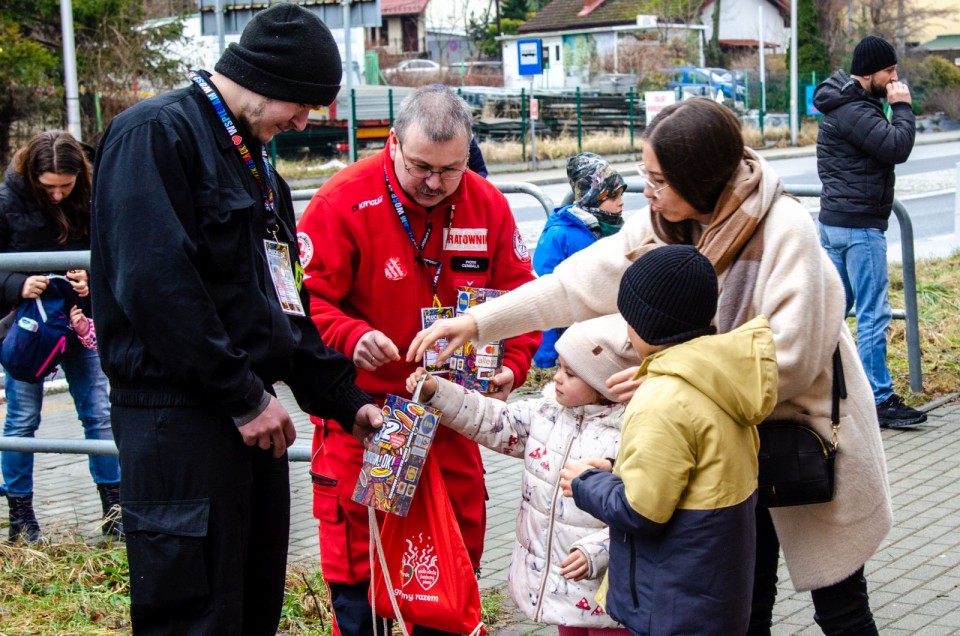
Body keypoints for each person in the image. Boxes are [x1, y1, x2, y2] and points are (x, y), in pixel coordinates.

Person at [409, 97, 892, 636]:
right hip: (724, 446)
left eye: (659, 179)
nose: (647, 190)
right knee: (746, 604)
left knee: (840, 606)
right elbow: (574, 285)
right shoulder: (665, 224)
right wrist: (478, 323)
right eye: (646, 175)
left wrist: (667, 376)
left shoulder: (784, 228)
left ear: (698, 177)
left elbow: (790, 359)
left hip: (801, 430)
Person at [89, 5, 382, 634]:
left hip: (252, 421)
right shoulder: (156, 134)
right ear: (262, 78)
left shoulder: (259, 168)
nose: (301, 123)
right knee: (194, 613)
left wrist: (345, 400)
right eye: (300, 106)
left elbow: (283, 306)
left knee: (251, 605)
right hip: (180, 420)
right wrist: (243, 397)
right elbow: (155, 286)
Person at [296, 84, 540, 635]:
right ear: (393, 144)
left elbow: (522, 297)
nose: (434, 182)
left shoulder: (486, 204)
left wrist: (513, 363)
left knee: (446, 581)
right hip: (373, 422)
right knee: (372, 584)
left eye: (450, 169)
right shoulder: (344, 201)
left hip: (453, 421)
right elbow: (303, 302)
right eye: (421, 167)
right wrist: (350, 335)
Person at [559, 245, 778, 635]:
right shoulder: (720, 379)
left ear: (645, 324)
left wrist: (586, 483)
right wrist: (616, 468)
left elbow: (641, 512)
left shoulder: (661, 398)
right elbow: (694, 469)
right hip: (717, 590)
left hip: (674, 599)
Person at [405, 316, 632, 635]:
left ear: (603, 382)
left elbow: (642, 507)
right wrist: (437, 392)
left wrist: (599, 551)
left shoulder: (629, 434)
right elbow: (490, 418)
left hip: (608, 586)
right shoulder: (546, 413)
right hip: (562, 584)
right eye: (559, 368)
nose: (557, 378)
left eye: (570, 373)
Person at [0, 130, 121, 544]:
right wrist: (17, 284)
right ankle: (21, 519)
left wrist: (91, 280)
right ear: (31, 177)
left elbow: (111, 253)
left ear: (78, 179)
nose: (56, 195)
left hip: (78, 322)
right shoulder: (7, 201)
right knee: (22, 419)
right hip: (29, 327)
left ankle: (115, 512)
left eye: (64, 187)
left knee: (98, 413)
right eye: (48, 187)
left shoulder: (94, 195)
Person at [814, 34, 923, 429]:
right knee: (873, 314)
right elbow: (896, 147)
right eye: (889, 70)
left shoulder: (844, 101)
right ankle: (879, 398)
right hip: (859, 228)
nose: (894, 77)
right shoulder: (855, 110)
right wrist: (903, 107)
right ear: (869, 72)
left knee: (832, 313)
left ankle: (820, 390)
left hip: (836, 224)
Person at [532, 152, 625, 369]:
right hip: (573, 348)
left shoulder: (615, 230)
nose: (621, 203)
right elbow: (544, 298)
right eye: (613, 197)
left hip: (608, 342)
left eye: (622, 195)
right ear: (592, 198)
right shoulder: (559, 236)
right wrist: (546, 361)